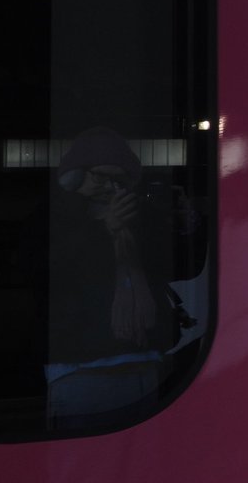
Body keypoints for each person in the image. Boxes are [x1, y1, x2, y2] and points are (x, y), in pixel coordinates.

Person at [41, 127, 197, 431]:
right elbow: (53, 270)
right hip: (81, 369)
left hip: (147, 362)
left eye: (119, 179)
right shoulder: (54, 217)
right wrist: (105, 231)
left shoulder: (141, 216)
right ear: (73, 177)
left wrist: (186, 230)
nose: (109, 187)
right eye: (100, 176)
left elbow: (179, 270)